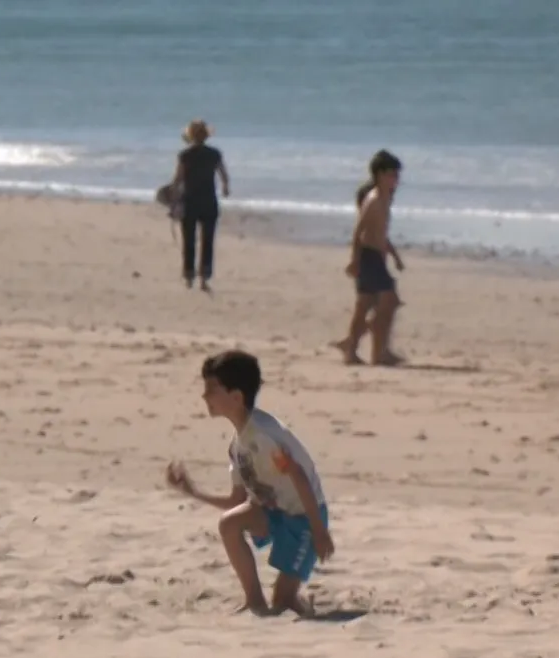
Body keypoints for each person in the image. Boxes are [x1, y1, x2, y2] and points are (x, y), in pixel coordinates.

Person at [166, 350, 333, 616]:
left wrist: (319, 530)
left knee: (284, 602)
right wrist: (192, 491)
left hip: (305, 518)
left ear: (236, 397)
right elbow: (236, 501)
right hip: (274, 512)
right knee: (229, 523)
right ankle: (254, 601)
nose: (204, 396)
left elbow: (298, 476)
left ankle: (297, 602)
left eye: (211, 389)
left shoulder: (262, 435)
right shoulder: (238, 444)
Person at [336, 151, 406, 366]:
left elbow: (381, 234)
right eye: (392, 174)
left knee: (367, 304)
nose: (396, 179)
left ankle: (353, 347)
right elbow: (360, 231)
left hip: (376, 257)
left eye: (397, 175)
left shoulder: (385, 200)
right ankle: (379, 351)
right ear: (380, 174)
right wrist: (355, 260)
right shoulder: (374, 199)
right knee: (389, 301)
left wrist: (395, 256)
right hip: (369, 257)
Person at [171, 120, 229, 290]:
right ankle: (204, 277)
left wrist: (173, 198)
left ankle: (189, 276)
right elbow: (224, 175)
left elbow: (178, 179)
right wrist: (226, 188)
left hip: (189, 201)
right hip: (209, 201)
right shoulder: (214, 154)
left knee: (189, 240)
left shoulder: (184, 155)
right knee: (207, 240)